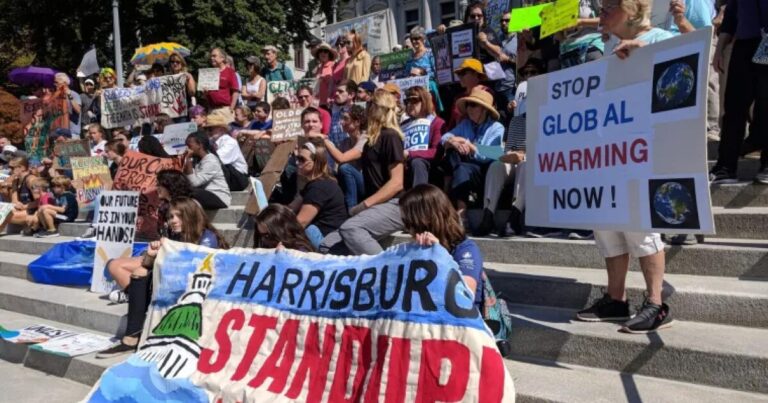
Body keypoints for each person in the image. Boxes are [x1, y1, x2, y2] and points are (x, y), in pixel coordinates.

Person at [574, 0, 673, 334]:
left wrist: (644, 53)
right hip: (610, 150)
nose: (601, 15)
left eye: (608, 8)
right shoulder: (609, 47)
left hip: (642, 148)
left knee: (640, 225)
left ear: (631, 10)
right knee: (607, 225)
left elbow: (680, 76)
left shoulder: (661, 38)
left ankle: (656, 303)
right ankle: (616, 298)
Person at [97, 197, 229, 357]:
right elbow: (152, 266)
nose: (173, 221)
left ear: (191, 215)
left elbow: (194, 272)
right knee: (140, 271)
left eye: (178, 216)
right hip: (177, 284)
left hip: (200, 291)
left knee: (142, 277)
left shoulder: (207, 238)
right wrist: (151, 255)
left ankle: (134, 331)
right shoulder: (177, 236)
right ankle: (132, 336)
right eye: (170, 217)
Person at [319, 89, 405, 255]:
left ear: (380, 108)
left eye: (370, 104)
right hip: (375, 206)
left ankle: (384, 266)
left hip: (394, 204)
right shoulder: (371, 140)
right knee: (326, 245)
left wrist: (363, 205)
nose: (367, 108)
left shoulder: (391, 136)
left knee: (350, 228)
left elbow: (397, 183)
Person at [710, 0, 768, 184]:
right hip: (745, 42)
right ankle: (725, 167)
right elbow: (732, 12)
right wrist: (719, 49)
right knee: (734, 106)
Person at [400, 184, 483, 310]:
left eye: (408, 223)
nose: (408, 229)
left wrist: (439, 255)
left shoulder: (466, 250)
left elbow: (465, 295)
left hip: (460, 318)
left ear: (424, 220)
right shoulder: (419, 248)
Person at [441, 87, 504, 219]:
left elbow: (492, 154)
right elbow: (445, 137)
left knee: (461, 167)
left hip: (486, 171)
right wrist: (453, 141)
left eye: (473, 105)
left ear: (484, 109)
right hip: (465, 167)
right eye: (468, 105)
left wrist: (469, 145)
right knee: (452, 153)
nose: (469, 108)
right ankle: (453, 200)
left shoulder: (496, 127)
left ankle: (458, 207)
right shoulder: (466, 124)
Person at [308, 105, 367, 210]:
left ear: (357, 122)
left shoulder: (365, 139)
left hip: (364, 184)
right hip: (349, 184)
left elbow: (341, 158)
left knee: (345, 168)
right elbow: (334, 164)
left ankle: (351, 209)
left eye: (346, 119)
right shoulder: (346, 142)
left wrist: (324, 139)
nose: (341, 122)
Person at [293, 141, 349, 248]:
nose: (297, 163)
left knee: (306, 231)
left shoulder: (319, 188)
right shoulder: (314, 184)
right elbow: (291, 207)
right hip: (323, 236)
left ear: (315, 162)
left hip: (328, 243)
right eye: (297, 158)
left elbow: (301, 222)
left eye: (301, 159)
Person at [402, 86, 445, 187]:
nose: (409, 104)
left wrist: (410, 154)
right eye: (407, 101)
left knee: (417, 162)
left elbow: (436, 152)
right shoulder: (403, 125)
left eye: (414, 100)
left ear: (424, 101)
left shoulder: (437, 123)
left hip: (428, 165)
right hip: (405, 163)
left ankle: (420, 195)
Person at [183, 131, 231, 209]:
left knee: (190, 192)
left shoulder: (211, 161)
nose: (187, 149)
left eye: (189, 146)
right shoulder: (198, 161)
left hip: (218, 196)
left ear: (200, 145)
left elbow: (194, 183)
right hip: (205, 193)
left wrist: (188, 160)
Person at [205, 114, 249, 191]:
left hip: (238, 178)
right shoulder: (212, 142)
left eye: (211, 129)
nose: (208, 132)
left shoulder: (229, 142)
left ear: (222, 129)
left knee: (216, 162)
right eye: (206, 129)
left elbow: (216, 160)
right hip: (228, 175)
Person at [446, 58, 493, 130]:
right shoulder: (458, 98)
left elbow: (490, 119)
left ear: (475, 74)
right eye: (459, 74)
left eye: (463, 73)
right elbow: (452, 122)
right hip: (458, 134)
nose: (460, 77)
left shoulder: (487, 93)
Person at [204, 48, 240, 123]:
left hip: (225, 110)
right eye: (211, 56)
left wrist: (231, 108)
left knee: (227, 130)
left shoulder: (230, 72)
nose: (212, 58)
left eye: (214, 56)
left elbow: (235, 91)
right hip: (212, 110)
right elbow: (205, 95)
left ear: (222, 58)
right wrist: (205, 93)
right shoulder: (209, 73)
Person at [167, 52, 197, 116]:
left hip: (184, 111)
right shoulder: (167, 77)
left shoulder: (187, 75)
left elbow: (192, 93)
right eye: (172, 62)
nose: (175, 64)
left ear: (182, 63)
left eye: (177, 62)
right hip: (171, 112)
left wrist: (188, 81)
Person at [328, 80, 357, 148]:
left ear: (351, 95)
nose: (336, 93)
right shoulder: (335, 115)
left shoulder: (360, 115)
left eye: (340, 91)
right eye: (336, 91)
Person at [312, 42, 338, 107]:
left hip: (329, 102)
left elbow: (335, 83)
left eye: (325, 51)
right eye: (321, 51)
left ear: (329, 54)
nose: (323, 53)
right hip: (318, 103)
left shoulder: (333, 65)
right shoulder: (318, 68)